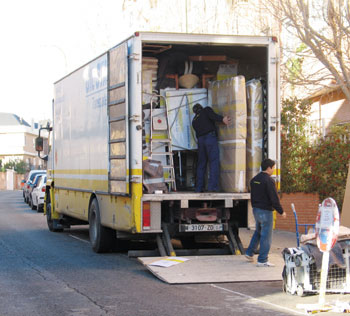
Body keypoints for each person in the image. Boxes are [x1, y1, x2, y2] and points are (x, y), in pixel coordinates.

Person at [245, 158, 287, 267]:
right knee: (266, 235)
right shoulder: (269, 180)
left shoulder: (254, 180)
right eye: (273, 168)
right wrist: (281, 211)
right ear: (269, 168)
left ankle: (249, 253)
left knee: (258, 232)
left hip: (256, 210)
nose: (274, 170)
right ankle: (262, 260)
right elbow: (274, 198)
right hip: (265, 211)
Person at [191, 103, 230, 193]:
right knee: (213, 162)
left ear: (195, 112)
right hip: (210, 138)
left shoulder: (194, 121)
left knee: (201, 164)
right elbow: (213, 116)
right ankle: (212, 187)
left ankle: (198, 188)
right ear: (201, 107)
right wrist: (222, 119)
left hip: (201, 141)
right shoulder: (206, 110)